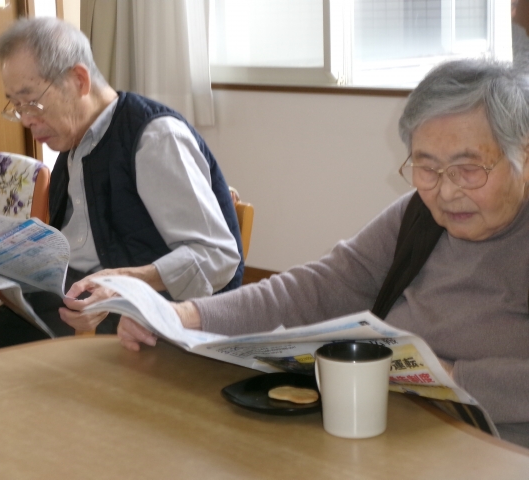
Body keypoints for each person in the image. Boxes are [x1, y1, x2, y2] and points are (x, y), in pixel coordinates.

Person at [63, 59, 529, 448]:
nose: (446, 191)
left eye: (468, 169)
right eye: (427, 168)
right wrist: (182, 316)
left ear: (523, 155)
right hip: (395, 425)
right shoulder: (417, 217)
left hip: (495, 446)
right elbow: (318, 288)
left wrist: (451, 376)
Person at [0, 16, 243, 355]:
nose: (26, 119)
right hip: (70, 305)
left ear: (78, 80)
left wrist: (123, 284)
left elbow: (218, 256)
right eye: (16, 106)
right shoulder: (74, 143)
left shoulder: (154, 138)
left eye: (32, 102)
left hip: (143, 327)